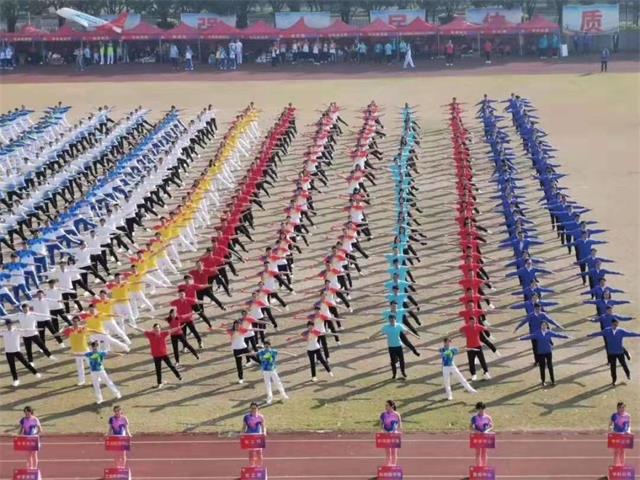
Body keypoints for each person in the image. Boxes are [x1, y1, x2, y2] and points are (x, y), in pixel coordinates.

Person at [587, 320, 640, 385]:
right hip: (612, 353)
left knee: (624, 364)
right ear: (612, 324)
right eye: (614, 324)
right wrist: (590, 335)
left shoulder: (621, 331)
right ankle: (614, 380)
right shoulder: (606, 330)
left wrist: (639, 335)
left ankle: (628, 375)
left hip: (620, 352)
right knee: (613, 367)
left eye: (617, 325)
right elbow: (599, 333)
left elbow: (630, 333)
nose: (616, 326)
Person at [519, 321, 569, 387]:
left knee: (550, 367)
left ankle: (553, 381)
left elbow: (557, 335)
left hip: (548, 352)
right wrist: (521, 338)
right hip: (541, 353)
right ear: (540, 326)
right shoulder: (537, 333)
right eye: (542, 325)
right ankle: (543, 381)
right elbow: (530, 336)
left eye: (545, 325)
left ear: (547, 326)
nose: (544, 326)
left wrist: (566, 337)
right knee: (542, 367)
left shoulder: (549, 332)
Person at [132, 323, 182, 388]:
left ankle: (178, 376)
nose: (157, 329)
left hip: (164, 354)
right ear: (153, 329)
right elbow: (142, 330)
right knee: (158, 369)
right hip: (156, 356)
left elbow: (171, 330)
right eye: (155, 328)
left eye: (158, 328)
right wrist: (135, 327)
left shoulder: (163, 334)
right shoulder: (150, 335)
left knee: (171, 365)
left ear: (160, 329)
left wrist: (179, 327)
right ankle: (159, 383)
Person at [1, 320, 41, 387]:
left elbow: (27, 330)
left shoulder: (17, 331)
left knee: (26, 363)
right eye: (8, 325)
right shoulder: (4, 332)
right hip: (8, 352)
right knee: (12, 367)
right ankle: (16, 380)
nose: (9, 326)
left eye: (10, 324)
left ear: (12, 324)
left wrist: (36, 329)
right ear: (6, 325)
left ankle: (35, 373)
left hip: (17, 351)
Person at [470, 401, 493, 467]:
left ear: (484, 409)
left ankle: (484, 467)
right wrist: (476, 431)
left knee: (484, 452)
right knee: (478, 453)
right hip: (477, 436)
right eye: (479, 409)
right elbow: (470, 427)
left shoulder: (488, 417)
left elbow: (491, 426)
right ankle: (478, 467)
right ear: (477, 409)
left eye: (482, 409)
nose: (481, 411)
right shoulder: (474, 418)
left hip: (485, 436)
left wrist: (487, 431)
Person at [18, 406, 41, 470]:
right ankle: (29, 468)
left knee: (34, 454)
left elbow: (40, 430)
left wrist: (34, 435)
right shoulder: (23, 420)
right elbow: (20, 430)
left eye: (27, 412)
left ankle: (35, 468)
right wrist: (19, 435)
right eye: (25, 412)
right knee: (28, 454)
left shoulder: (35, 419)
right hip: (26, 439)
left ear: (31, 412)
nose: (26, 413)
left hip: (34, 439)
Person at [243, 402, 266, 467]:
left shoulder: (260, 417)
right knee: (251, 453)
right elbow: (244, 427)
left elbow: (263, 426)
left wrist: (264, 432)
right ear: (250, 408)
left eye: (255, 408)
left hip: (258, 437)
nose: (253, 410)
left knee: (259, 453)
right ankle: (251, 466)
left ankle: (259, 466)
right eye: (252, 408)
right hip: (250, 437)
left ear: (257, 408)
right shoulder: (246, 417)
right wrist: (242, 433)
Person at [380, 400, 401, 466]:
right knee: (388, 452)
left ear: (392, 406)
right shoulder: (383, 414)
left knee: (394, 452)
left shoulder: (396, 414)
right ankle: (388, 466)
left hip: (394, 435)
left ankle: (394, 466)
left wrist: (394, 431)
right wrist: (385, 431)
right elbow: (381, 425)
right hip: (386, 434)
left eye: (387, 405)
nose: (385, 407)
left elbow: (399, 425)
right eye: (385, 405)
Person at [609, 401, 631, 466]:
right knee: (616, 451)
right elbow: (610, 424)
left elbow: (629, 425)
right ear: (617, 408)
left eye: (623, 407)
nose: (622, 409)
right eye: (620, 407)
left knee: (622, 451)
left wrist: (628, 431)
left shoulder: (627, 416)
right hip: (616, 434)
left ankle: (622, 465)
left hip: (624, 435)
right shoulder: (614, 415)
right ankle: (615, 465)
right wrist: (611, 429)